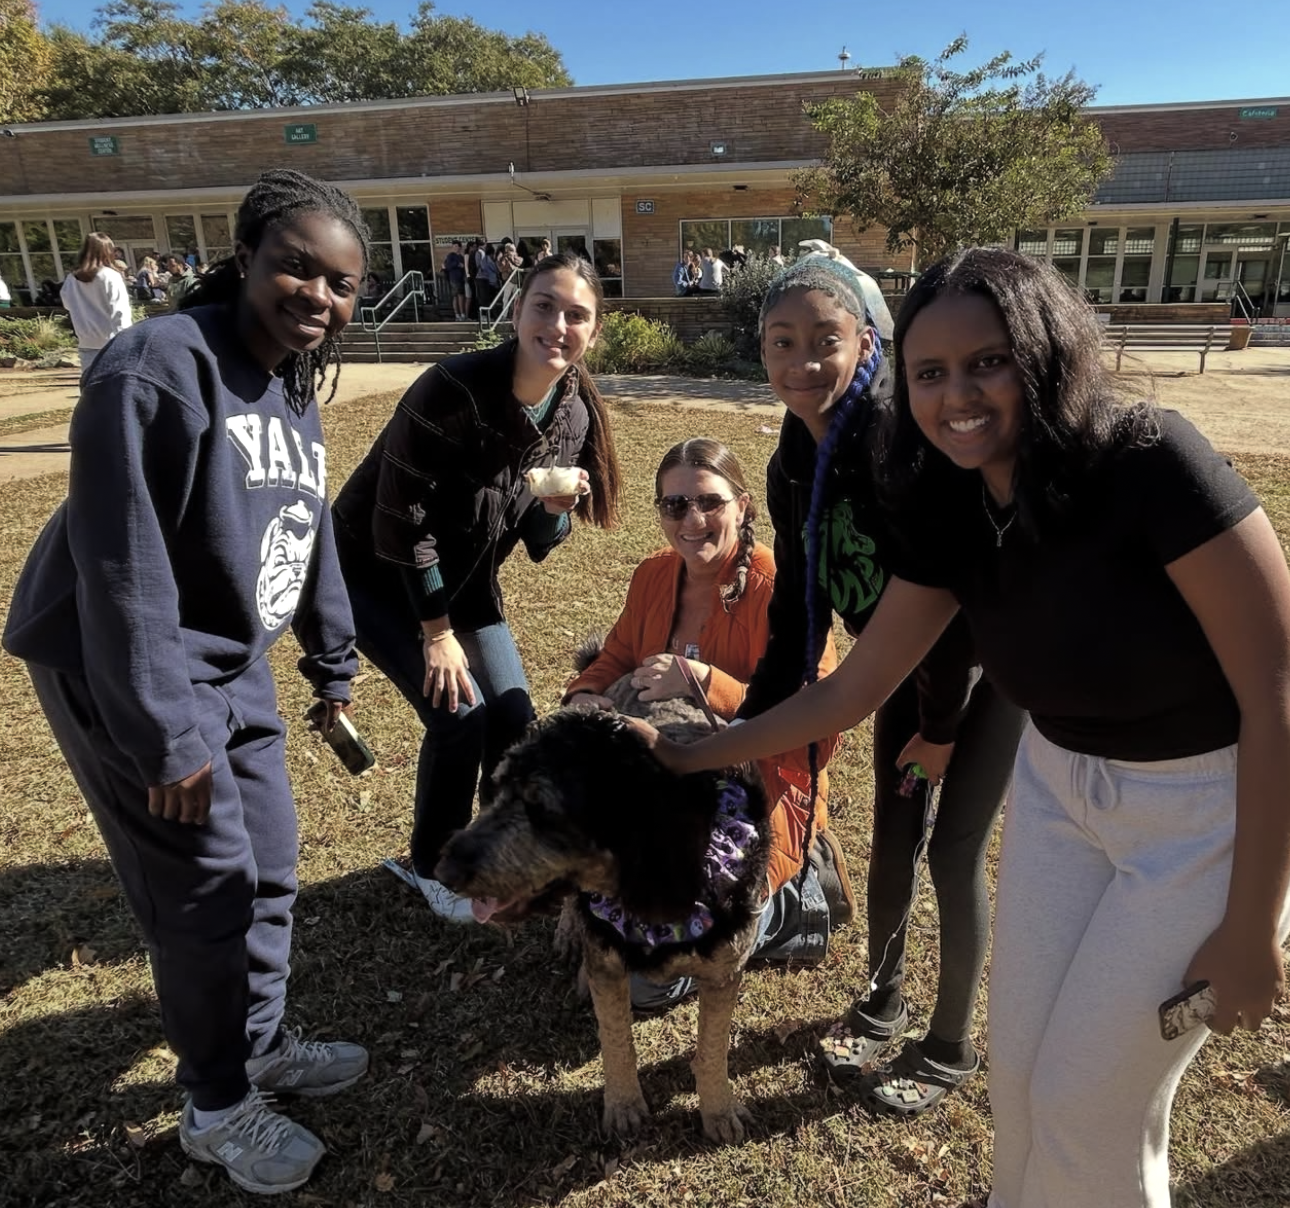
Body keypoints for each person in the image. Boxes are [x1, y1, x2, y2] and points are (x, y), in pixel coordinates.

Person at [640, 247, 1290, 1208]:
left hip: (1201, 812)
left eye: (987, 361)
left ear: (1045, 352)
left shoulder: (1148, 459)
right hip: (1060, 788)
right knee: (1024, 1087)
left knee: (1086, 1106)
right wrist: (690, 754)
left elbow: (1277, 687)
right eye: (930, 373)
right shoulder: (946, 497)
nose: (956, 396)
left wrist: (1250, 924)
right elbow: (850, 687)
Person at [3, 169, 374, 1196]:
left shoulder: (292, 389)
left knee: (273, 865)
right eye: (297, 265)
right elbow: (121, 562)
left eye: (341, 285)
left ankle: (255, 1044)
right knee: (206, 887)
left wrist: (332, 662)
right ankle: (215, 1107)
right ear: (247, 254)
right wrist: (164, 731)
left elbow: (308, 531)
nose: (317, 296)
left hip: (228, 658)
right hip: (126, 662)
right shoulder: (158, 364)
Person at [740, 248, 1025, 1115]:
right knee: (892, 835)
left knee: (953, 848)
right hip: (895, 670)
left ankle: (948, 1044)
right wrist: (766, 720)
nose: (802, 363)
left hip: (981, 674)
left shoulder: (901, 448)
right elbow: (799, 606)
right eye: (781, 342)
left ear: (867, 340)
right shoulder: (793, 461)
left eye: (824, 340)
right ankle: (882, 999)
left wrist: (939, 732)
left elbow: (954, 628)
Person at [332, 251, 624, 921]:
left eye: (577, 314)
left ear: (594, 331)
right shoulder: (451, 390)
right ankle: (433, 864)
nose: (558, 323)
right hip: (370, 573)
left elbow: (539, 543)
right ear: (516, 310)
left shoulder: (571, 415)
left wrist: (553, 514)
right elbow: (403, 525)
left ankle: (500, 859)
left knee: (517, 722)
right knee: (459, 717)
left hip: (465, 584)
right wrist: (436, 635)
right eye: (544, 305)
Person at [564, 437, 854, 1008]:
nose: (692, 520)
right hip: (656, 789)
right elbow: (617, 655)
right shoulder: (653, 575)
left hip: (759, 796)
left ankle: (798, 903)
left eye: (709, 503)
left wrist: (704, 683)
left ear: (743, 506)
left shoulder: (782, 587)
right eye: (674, 506)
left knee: (649, 977)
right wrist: (586, 694)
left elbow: (821, 725)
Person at [59, 231, 133, 379]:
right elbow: (120, 312)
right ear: (107, 252)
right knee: (115, 391)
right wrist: (126, 343)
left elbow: (67, 304)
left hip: (86, 342)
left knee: (91, 391)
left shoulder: (72, 278)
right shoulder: (110, 276)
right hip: (111, 343)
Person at [443, 240, 467, 319]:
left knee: (461, 296)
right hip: (453, 278)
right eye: (454, 246)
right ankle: (457, 314)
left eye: (457, 246)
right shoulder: (450, 256)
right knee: (456, 296)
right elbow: (447, 266)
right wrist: (457, 264)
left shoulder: (461, 257)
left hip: (461, 278)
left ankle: (462, 313)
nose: (455, 248)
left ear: (460, 247)